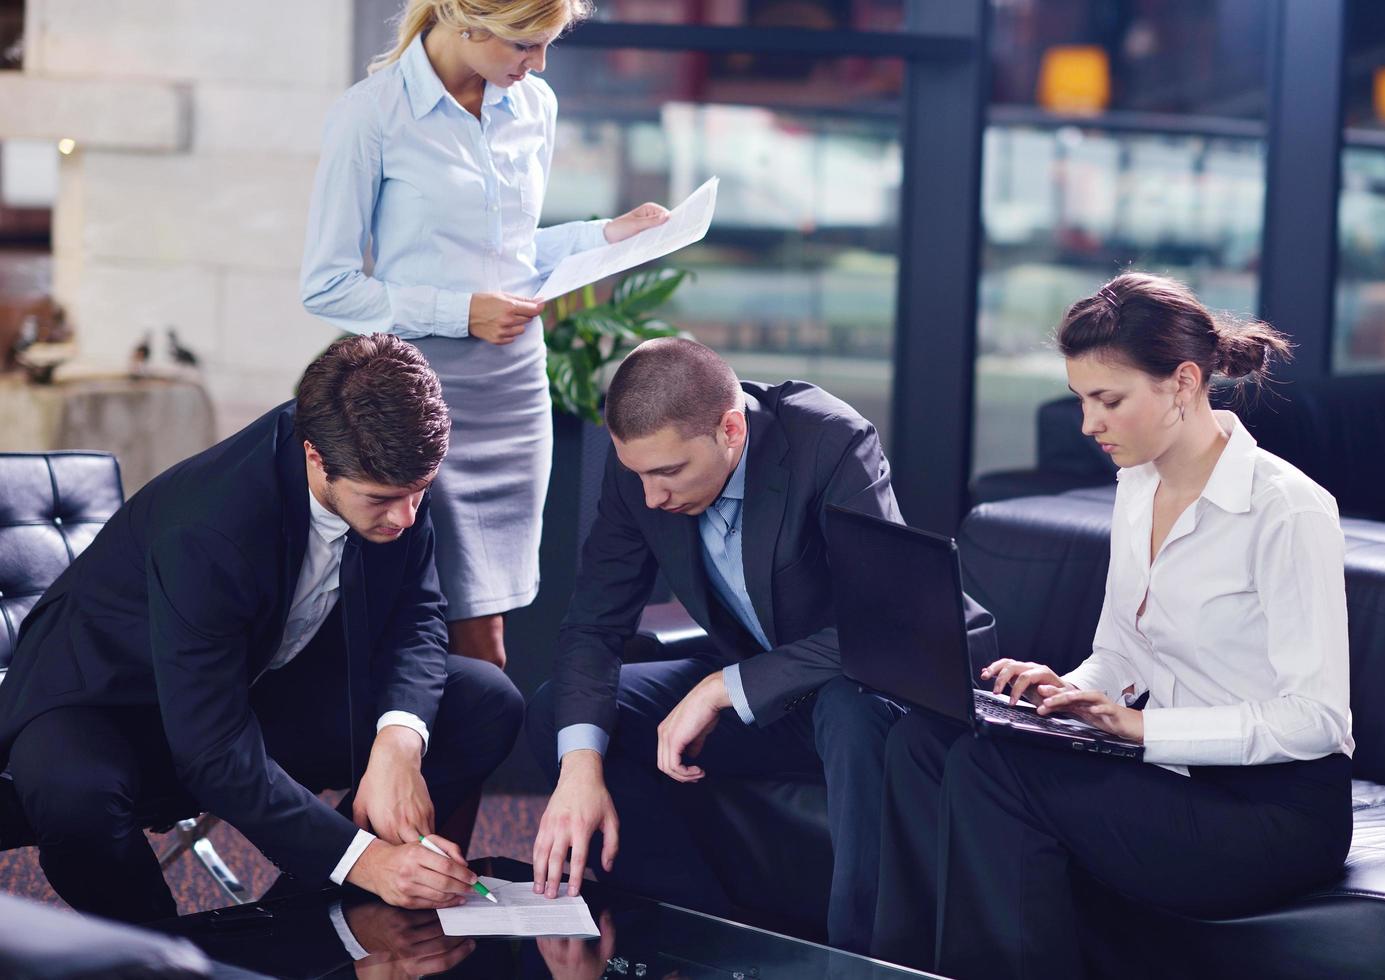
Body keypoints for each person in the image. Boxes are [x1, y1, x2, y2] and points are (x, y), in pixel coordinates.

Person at [872, 272, 1355, 977]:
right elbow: (1121, 651)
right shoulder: (1139, 482)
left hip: (1270, 814)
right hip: (1167, 776)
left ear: (1182, 383)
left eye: (1108, 400)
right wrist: (1061, 691)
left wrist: (1140, 728)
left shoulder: (1285, 508)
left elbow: (1315, 718)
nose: (1087, 424)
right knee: (921, 739)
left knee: (989, 769)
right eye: (1081, 400)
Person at [0, 334, 525, 924]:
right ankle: (168, 958)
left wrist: (397, 746)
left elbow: (417, 613)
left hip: (258, 677)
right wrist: (370, 860)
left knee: (483, 700)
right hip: (107, 700)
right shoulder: (211, 526)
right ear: (314, 458)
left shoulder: (392, 462)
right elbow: (213, 748)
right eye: (382, 500)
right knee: (74, 796)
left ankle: (312, 921)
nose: (406, 517)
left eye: (418, 495)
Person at [523, 337, 998, 954]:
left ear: (730, 430)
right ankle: (704, 939)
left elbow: (884, 624)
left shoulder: (830, 442)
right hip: (762, 700)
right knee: (557, 711)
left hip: (859, 689)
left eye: (668, 473)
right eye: (639, 474)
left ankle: (864, 963)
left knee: (850, 713)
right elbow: (593, 626)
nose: (651, 497)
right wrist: (578, 771)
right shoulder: (643, 463)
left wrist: (724, 687)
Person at [301, 0, 671, 669]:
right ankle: (400, 761)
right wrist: (459, 313)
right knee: (451, 627)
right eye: (526, 46)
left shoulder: (533, 106)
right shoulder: (373, 114)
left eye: (548, 45)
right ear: (465, 23)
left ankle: (440, 768)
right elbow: (328, 286)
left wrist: (606, 234)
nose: (539, 66)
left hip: (514, 386)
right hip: (414, 391)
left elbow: (508, 251)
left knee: (487, 618)